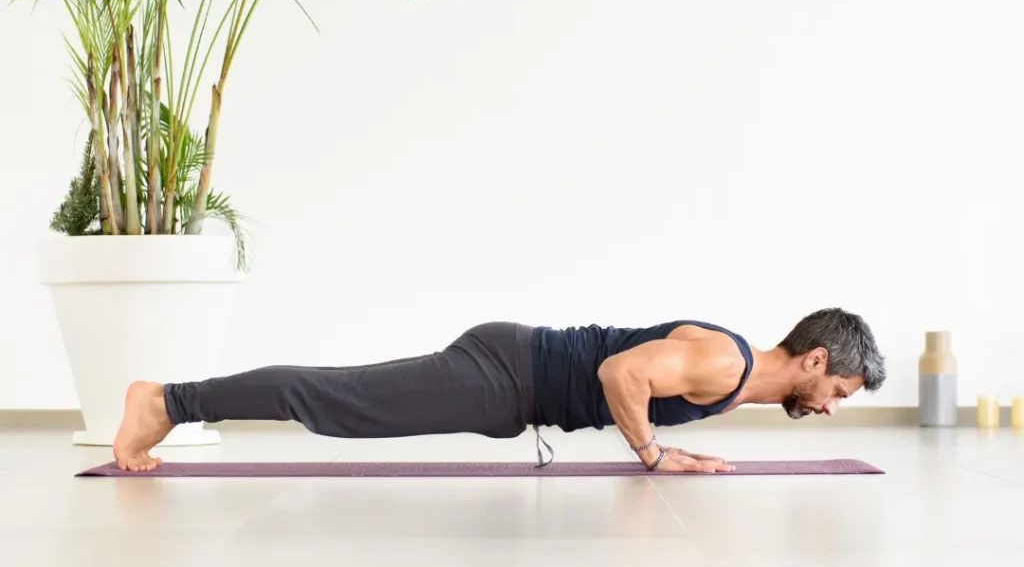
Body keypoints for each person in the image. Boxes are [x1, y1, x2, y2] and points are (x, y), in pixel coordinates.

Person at [113, 307, 886, 473]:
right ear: (816, 361)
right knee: (338, 401)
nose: (832, 408)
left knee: (343, 404)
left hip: (516, 382)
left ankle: (173, 401)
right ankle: (168, 401)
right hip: (507, 373)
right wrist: (652, 452)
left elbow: (632, 374)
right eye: (842, 391)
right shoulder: (729, 363)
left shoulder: (734, 370)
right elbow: (621, 374)